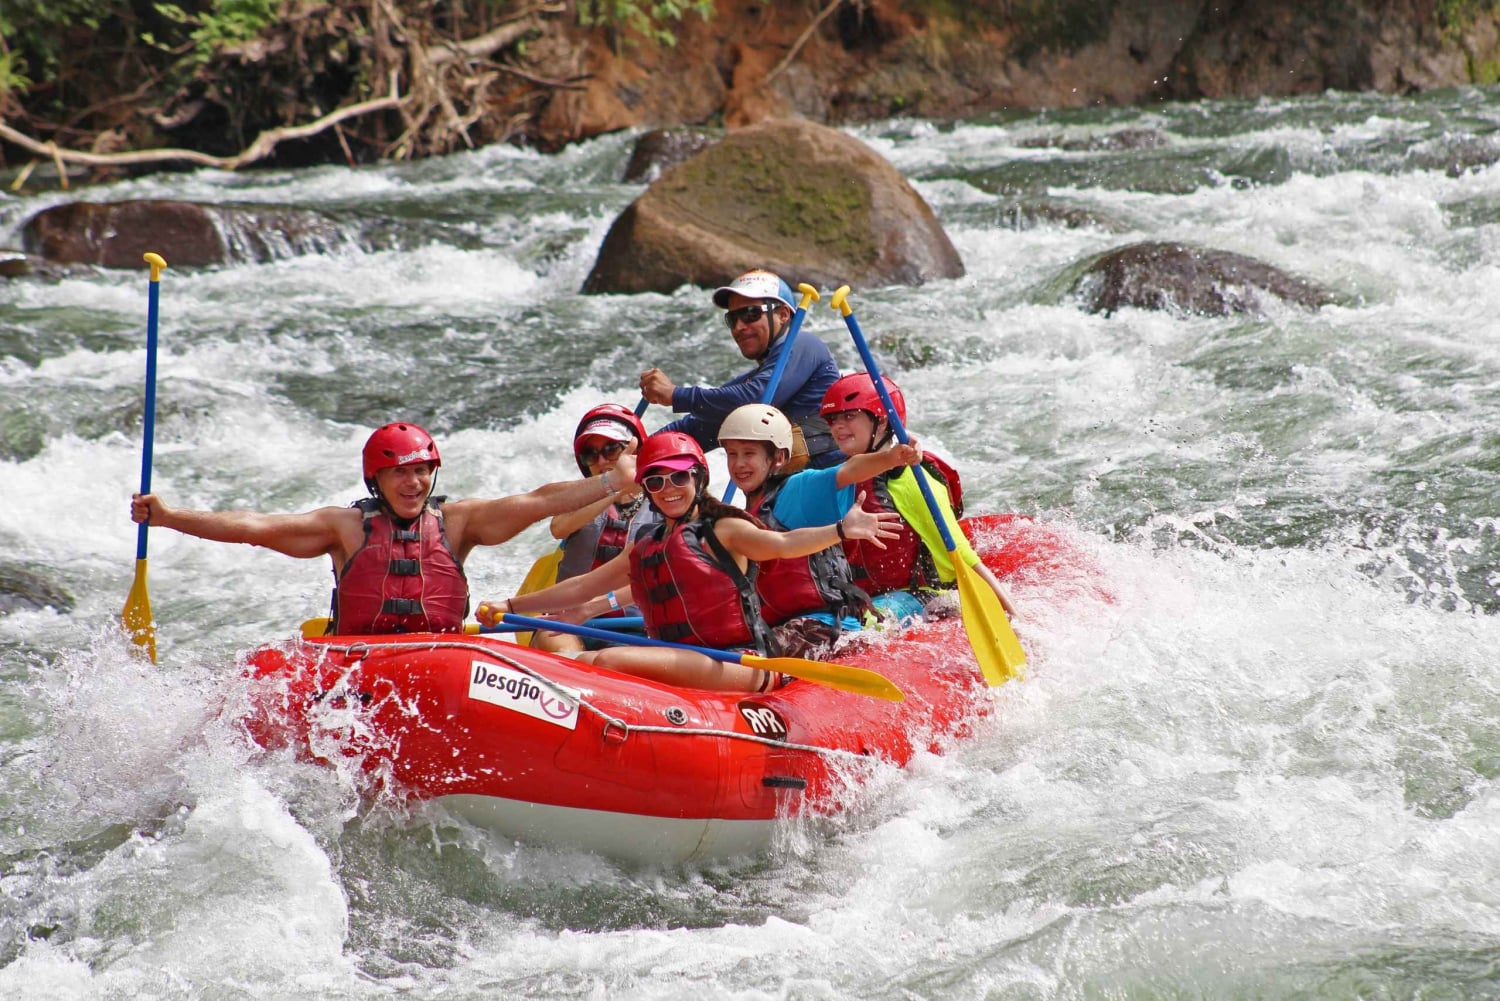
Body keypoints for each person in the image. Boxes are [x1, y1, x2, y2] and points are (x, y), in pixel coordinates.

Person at [475, 430, 901, 693]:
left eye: (678, 477)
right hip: (682, 655)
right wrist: (511, 607)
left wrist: (841, 529)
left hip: (741, 661)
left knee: (606, 661)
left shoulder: (724, 528)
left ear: (698, 477)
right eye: (656, 481)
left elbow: (783, 544)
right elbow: (583, 587)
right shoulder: (647, 544)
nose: (669, 489)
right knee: (573, 665)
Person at [129, 421, 638, 635]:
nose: (414, 483)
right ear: (377, 479)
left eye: (422, 471)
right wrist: (170, 517)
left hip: (440, 662)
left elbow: (536, 502)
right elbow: (254, 526)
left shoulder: (459, 523)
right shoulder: (343, 528)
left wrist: (610, 482)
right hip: (360, 660)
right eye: (400, 473)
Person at [818, 373, 1017, 622]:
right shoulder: (841, 477)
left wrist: (1013, 619)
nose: (837, 426)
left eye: (849, 416)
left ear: (881, 421)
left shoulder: (910, 479)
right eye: (832, 419)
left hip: (923, 595)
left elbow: (964, 556)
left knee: (861, 623)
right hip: (866, 596)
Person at [717, 402, 914, 640]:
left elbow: (848, 471)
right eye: (732, 454)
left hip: (827, 625)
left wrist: (891, 458)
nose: (738, 464)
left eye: (749, 453)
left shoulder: (797, 490)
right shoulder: (741, 517)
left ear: (779, 457)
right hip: (786, 626)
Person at [638, 269, 842, 469]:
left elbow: (757, 399)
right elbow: (695, 428)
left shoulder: (804, 343)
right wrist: (639, 451)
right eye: (732, 319)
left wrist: (676, 395)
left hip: (834, 479)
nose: (739, 327)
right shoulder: (750, 384)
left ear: (783, 314)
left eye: (751, 313)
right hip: (789, 485)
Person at [533, 403, 656, 652]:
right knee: (558, 646)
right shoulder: (577, 497)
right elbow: (559, 528)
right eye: (591, 454)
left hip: (640, 629)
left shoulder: (664, 497)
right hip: (567, 624)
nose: (601, 460)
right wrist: (616, 487)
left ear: (634, 452)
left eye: (611, 450)